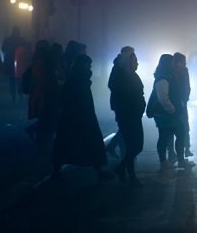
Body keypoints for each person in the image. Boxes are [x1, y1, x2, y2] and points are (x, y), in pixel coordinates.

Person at [50, 54, 115, 182]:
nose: (90, 68)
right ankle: (98, 171)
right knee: (90, 143)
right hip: (81, 116)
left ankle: (57, 171)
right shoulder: (78, 80)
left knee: (66, 144)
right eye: (88, 65)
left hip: (73, 117)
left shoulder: (75, 78)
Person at [108, 47, 146, 187]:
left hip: (134, 115)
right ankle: (127, 172)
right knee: (133, 146)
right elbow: (125, 96)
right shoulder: (121, 76)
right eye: (135, 61)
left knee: (135, 146)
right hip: (127, 115)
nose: (137, 63)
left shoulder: (132, 75)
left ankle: (124, 169)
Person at [150, 54, 192, 172]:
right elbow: (163, 98)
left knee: (179, 134)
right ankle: (164, 161)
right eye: (172, 62)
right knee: (164, 137)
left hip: (172, 113)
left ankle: (180, 160)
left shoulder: (169, 76)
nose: (174, 64)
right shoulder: (163, 78)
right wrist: (172, 109)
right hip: (165, 115)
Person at [166, 52, 193, 161]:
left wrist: (185, 98)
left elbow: (187, 86)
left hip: (182, 102)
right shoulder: (171, 73)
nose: (185, 63)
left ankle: (186, 149)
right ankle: (172, 152)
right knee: (175, 129)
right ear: (177, 63)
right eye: (183, 62)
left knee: (185, 127)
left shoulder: (184, 71)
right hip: (176, 103)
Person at [1, 27, 25, 102]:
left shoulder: (8, 40)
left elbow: (3, 49)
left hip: (10, 62)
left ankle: (13, 96)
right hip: (20, 62)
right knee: (20, 79)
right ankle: (20, 94)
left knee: (12, 80)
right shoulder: (22, 40)